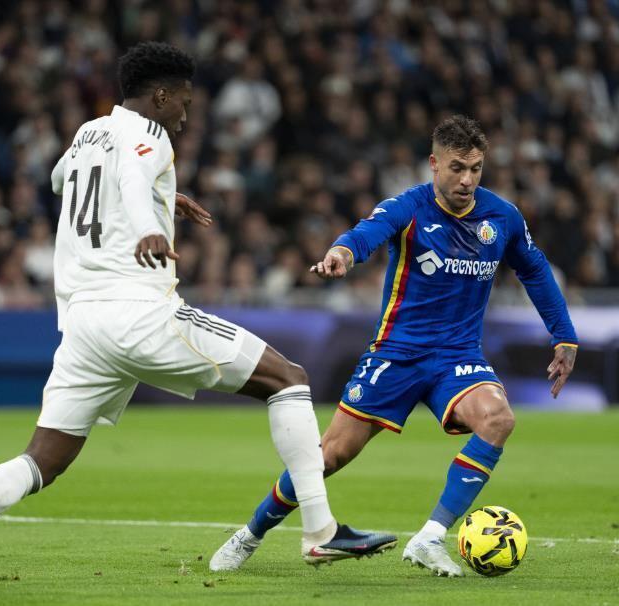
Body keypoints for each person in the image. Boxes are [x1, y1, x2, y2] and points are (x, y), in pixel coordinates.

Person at [0, 42, 396, 585]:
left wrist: (166, 198)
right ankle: (320, 530)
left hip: (83, 327)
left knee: (42, 459)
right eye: (183, 102)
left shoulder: (87, 132)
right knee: (290, 379)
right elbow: (134, 181)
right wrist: (147, 225)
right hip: (138, 312)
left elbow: (60, 180)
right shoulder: (150, 135)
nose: (185, 116)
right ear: (160, 96)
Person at [210, 115, 577, 576]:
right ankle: (250, 534)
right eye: (457, 168)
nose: (467, 180)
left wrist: (564, 335)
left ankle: (430, 537)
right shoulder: (409, 207)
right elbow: (364, 235)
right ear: (434, 164)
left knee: (498, 418)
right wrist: (341, 253)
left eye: (476, 169)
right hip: (396, 355)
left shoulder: (502, 217)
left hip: (458, 358)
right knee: (329, 456)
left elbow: (535, 270)